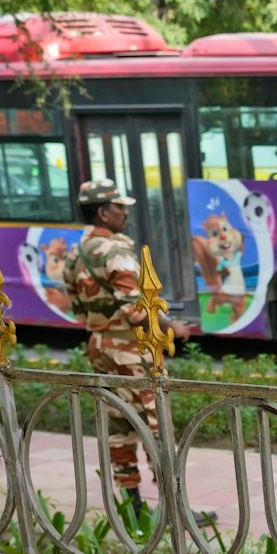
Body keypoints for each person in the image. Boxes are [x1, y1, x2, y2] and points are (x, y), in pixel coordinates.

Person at [63, 179, 202, 526]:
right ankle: (176, 509)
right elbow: (137, 309)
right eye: (120, 207)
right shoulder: (114, 251)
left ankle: (133, 507)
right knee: (157, 426)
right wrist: (173, 327)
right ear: (103, 212)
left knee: (119, 427)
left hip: (98, 345)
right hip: (130, 348)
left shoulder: (75, 252)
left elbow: (77, 306)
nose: (126, 213)